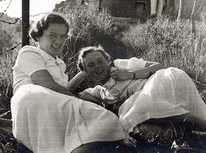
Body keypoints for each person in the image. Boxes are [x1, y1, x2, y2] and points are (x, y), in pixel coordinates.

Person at [68, 45, 206, 153]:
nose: (97, 66)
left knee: (140, 106)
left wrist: (130, 74)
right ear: (86, 73)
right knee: (135, 113)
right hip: (156, 103)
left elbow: (159, 66)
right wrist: (81, 74)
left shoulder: (121, 64)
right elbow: (67, 92)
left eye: (100, 61)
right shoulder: (99, 92)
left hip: (165, 80)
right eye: (90, 65)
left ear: (108, 60)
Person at [10, 13, 130, 153]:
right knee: (106, 118)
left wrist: (83, 75)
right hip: (31, 97)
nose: (58, 41)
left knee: (101, 124)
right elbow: (46, 83)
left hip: (50, 102)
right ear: (38, 36)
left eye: (63, 36)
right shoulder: (29, 52)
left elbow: (60, 90)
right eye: (52, 35)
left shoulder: (59, 64)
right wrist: (78, 101)